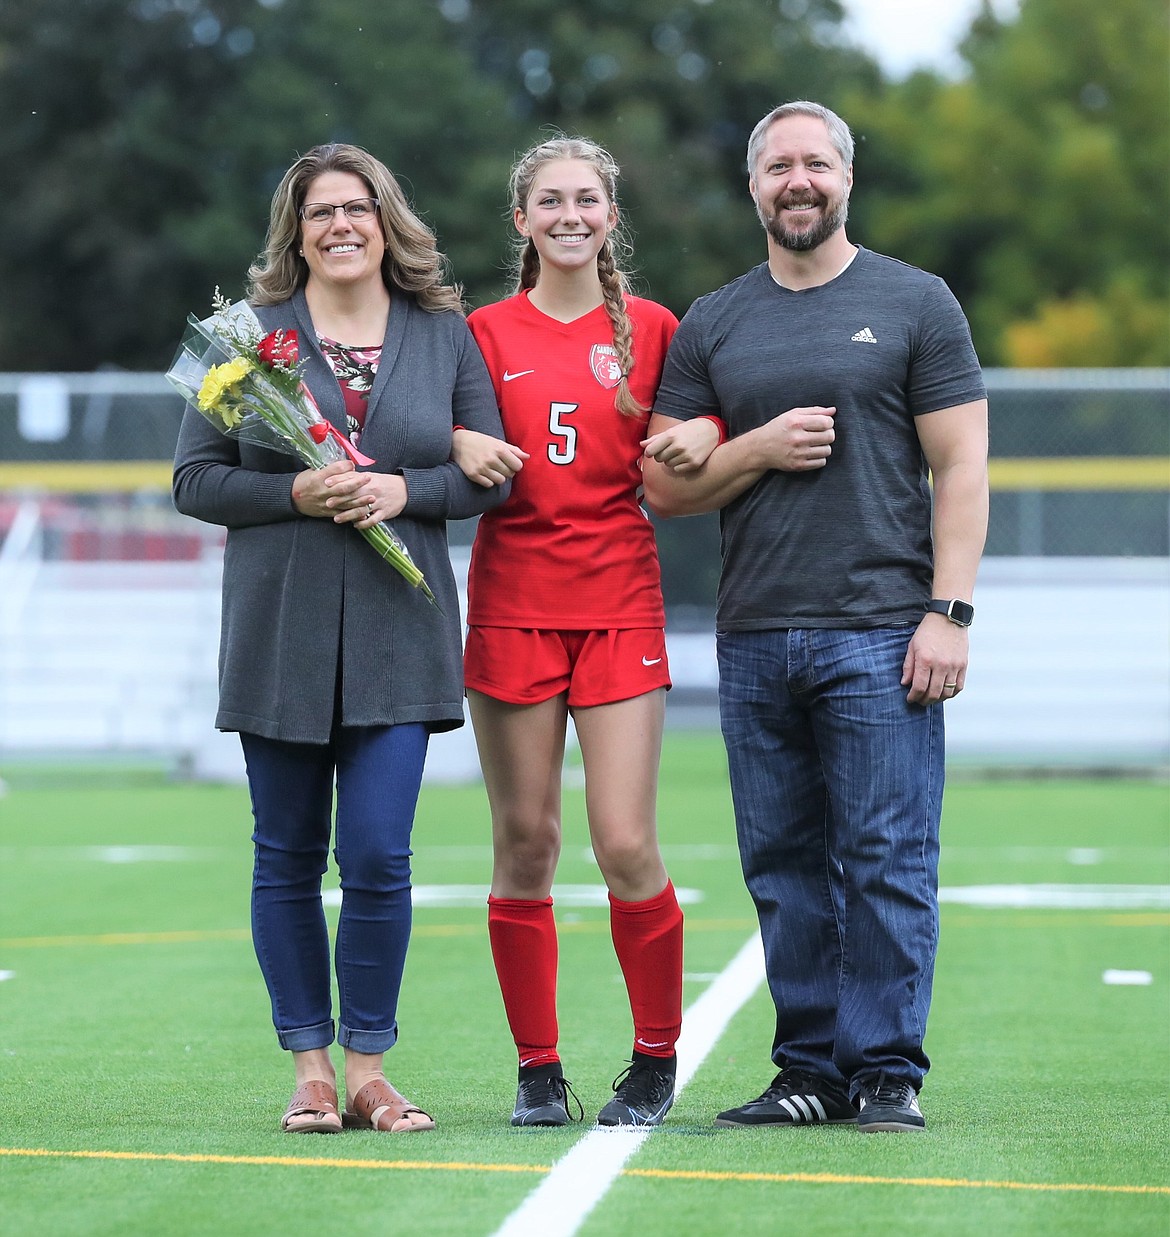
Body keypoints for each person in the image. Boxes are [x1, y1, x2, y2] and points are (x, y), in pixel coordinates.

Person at [641, 101, 989, 1133]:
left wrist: (950, 613)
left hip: (884, 625)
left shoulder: (916, 302)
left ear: (846, 177)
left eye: (817, 163)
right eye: (778, 165)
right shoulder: (714, 321)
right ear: (754, 187)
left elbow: (961, 465)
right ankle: (809, 1067)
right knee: (784, 861)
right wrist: (758, 446)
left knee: (886, 855)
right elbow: (669, 484)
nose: (799, 180)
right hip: (753, 631)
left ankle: (884, 1067)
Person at [172, 143, 509, 1134]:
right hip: (279, 632)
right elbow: (196, 482)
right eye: (319, 213)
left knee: (376, 851)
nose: (340, 226)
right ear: (297, 231)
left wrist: (407, 490)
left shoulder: (444, 335)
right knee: (285, 854)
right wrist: (296, 492)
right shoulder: (242, 338)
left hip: (403, 634)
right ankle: (310, 1070)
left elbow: (492, 471)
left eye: (356, 208)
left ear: (385, 219)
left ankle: (369, 1065)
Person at [449, 136, 721, 1127]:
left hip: (618, 607)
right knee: (525, 840)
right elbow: (414, 428)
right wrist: (451, 437)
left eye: (589, 199)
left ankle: (654, 1062)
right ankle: (537, 1068)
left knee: (623, 841)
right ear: (521, 219)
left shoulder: (655, 327)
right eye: (550, 200)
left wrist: (711, 433)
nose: (571, 214)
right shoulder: (478, 332)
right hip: (514, 605)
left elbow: (699, 429)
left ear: (610, 217)